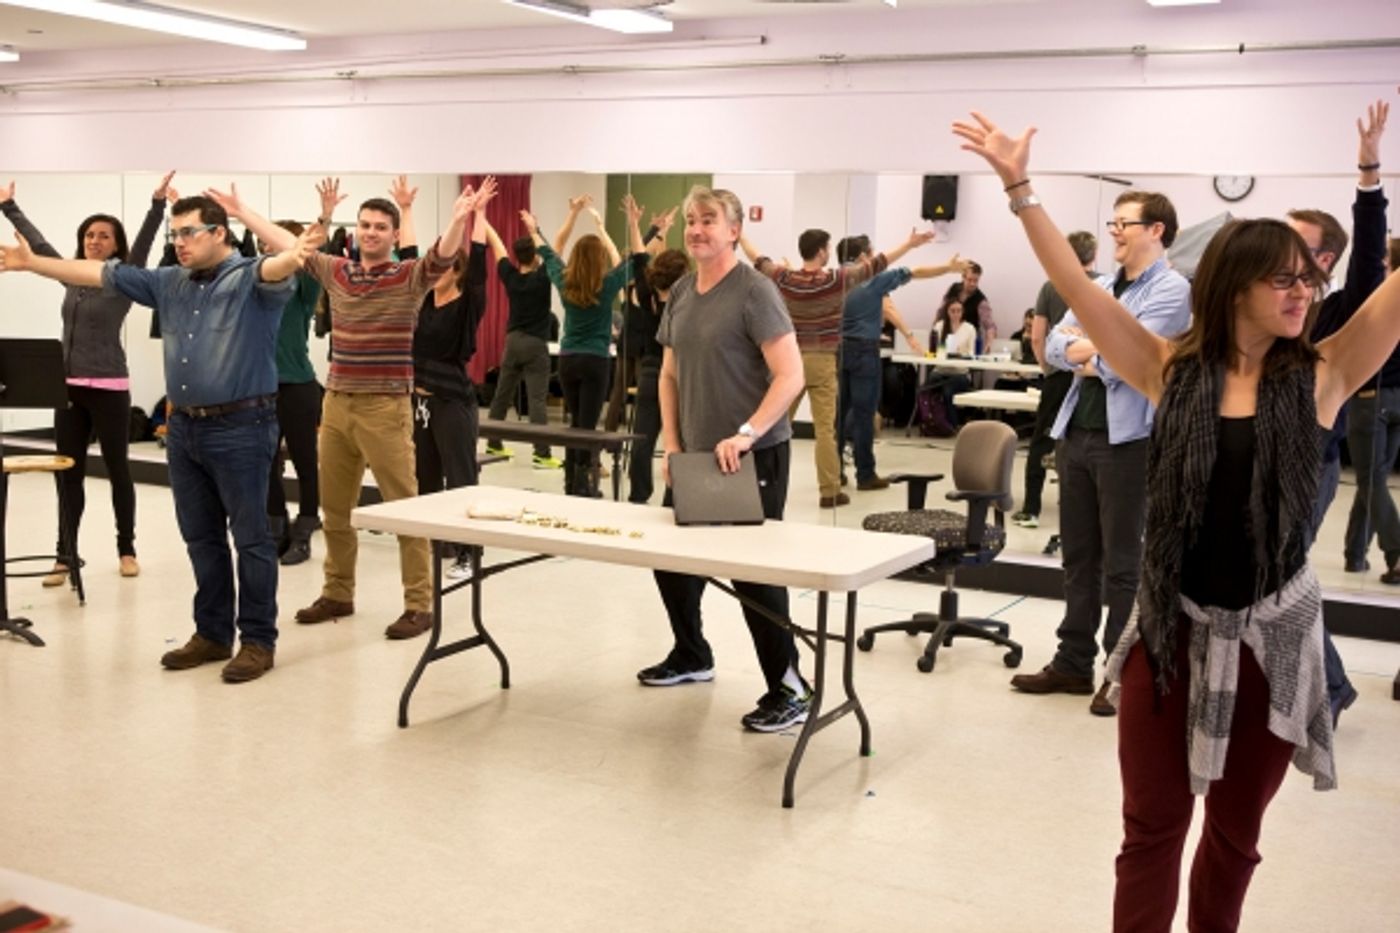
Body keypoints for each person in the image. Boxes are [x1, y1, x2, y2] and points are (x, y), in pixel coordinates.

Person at [956, 99, 1400, 933]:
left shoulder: (1325, 375)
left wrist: (1375, 176)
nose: (1303, 291)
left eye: (1310, 278)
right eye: (1285, 278)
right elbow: (1082, 288)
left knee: (1233, 839)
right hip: (1169, 630)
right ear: (1235, 285)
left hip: (1273, 637)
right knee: (1150, 832)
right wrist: (1019, 185)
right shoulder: (1169, 369)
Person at [0, 194, 317, 682]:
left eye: (189, 232)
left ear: (218, 233)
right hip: (185, 426)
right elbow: (95, 273)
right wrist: (30, 263)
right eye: (175, 234)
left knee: (251, 539)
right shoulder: (169, 282)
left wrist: (271, 232)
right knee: (200, 537)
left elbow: (285, 260)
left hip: (242, 427)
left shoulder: (251, 278)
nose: (179, 242)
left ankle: (257, 640)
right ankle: (212, 633)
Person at [227, 177, 475, 641]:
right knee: (336, 512)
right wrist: (243, 213)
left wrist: (460, 219)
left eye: (381, 226)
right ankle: (338, 592)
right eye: (365, 225)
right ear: (356, 230)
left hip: (385, 406)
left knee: (405, 510)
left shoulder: (409, 276)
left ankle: (419, 604)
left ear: (394, 235)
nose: (371, 232)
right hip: (337, 403)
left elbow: (442, 254)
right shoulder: (337, 272)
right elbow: (290, 245)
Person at [1010, 188, 1191, 717]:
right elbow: (1055, 350)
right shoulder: (1101, 287)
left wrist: (1094, 349)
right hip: (1078, 435)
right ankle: (1072, 661)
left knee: (1122, 564)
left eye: (1123, 223)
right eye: (1111, 223)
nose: (1113, 231)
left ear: (1156, 230)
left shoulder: (1173, 291)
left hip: (1128, 441)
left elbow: (1129, 361)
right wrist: (1096, 350)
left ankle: (1119, 674)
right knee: (1078, 557)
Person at [640, 184, 811, 732]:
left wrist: (746, 433)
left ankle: (790, 688)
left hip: (752, 454)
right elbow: (669, 376)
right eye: (691, 219)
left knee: (754, 578)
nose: (696, 229)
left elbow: (791, 376)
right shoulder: (684, 292)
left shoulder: (755, 292)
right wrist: (672, 444)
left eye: (708, 220)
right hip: (692, 456)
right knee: (671, 560)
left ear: (734, 230)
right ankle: (692, 654)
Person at [0, 171, 173, 584]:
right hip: (69, 389)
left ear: (116, 245)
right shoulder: (70, 276)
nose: (94, 241)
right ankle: (66, 554)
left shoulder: (123, 280)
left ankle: (126, 547)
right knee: (69, 473)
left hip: (110, 388)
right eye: (90, 235)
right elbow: (39, 247)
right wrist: (8, 207)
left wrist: (156, 205)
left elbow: (146, 245)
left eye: (104, 236)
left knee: (118, 471)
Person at [1289, 104, 1389, 725]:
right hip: (1259, 456)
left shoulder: (1339, 312)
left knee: (1286, 579)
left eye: (1294, 241)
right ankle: (1323, 688)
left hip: (1311, 463)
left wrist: (1369, 173)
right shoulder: (1270, 307)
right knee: (1279, 579)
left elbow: (1373, 254)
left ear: (1324, 260)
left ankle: (1329, 690)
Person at [741, 224, 935, 508]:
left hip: (789, 362)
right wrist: (909, 244)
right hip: (821, 360)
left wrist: (741, 235)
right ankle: (829, 491)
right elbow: (878, 263)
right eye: (828, 248)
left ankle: (753, 482)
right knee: (825, 431)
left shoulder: (785, 278)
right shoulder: (835, 280)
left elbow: (757, 258)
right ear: (821, 252)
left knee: (772, 424)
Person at [412, 178, 496, 582]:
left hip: (452, 402)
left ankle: (469, 552)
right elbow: (412, 257)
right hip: (419, 401)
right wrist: (406, 211)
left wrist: (476, 216)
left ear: (457, 272)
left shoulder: (467, 304)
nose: (437, 271)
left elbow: (480, 267)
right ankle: (436, 544)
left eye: (446, 266)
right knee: (425, 477)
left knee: (461, 477)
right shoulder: (422, 299)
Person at [834, 234, 965, 490]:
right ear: (862, 256)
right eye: (871, 253)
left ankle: (834, 471)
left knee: (839, 414)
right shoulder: (872, 279)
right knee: (863, 415)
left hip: (838, 350)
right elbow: (914, 272)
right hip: (864, 351)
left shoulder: (833, 278)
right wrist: (948, 268)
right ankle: (865, 474)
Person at [521, 195, 628, 497]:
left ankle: (573, 482)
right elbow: (622, 261)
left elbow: (549, 247)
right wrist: (601, 228)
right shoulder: (606, 285)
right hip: (596, 360)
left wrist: (551, 222)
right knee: (587, 426)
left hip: (568, 359)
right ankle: (584, 484)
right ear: (599, 260)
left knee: (573, 424)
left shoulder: (565, 281)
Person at [1012, 230, 1099, 529]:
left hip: (1059, 374)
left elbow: (1037, 337)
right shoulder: (1107, 285)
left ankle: (1031, 508)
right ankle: (1083, 512)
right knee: (1086, 440)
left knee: (1042, 440)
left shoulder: (1051, 287)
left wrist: (1048, 369)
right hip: (1095, 376)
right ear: (1094, 255)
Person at [258, 219, 323, 567]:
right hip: (259, 388)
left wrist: (323, 220)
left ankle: (306, 527)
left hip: (297, 385)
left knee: (304, 460)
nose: (269, 248)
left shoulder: (302, 287)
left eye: (277, 243)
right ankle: (276, 526)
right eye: (265, 243)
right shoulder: (253, 285)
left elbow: (313, 259)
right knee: (265, 461)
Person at [482, 220, 561, 471]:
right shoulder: (543, 276)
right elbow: (556, 245)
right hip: (535, 345)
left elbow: (497, 245)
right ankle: (542, 453)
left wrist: (482, 218)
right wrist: (536, 229)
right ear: (537, 255)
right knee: (537, 400)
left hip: (512, 342)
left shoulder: (511, 277)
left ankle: (494, 443)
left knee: (502, 395)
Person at [620, 195, 683, 505]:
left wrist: (635, 223)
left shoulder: (646, 294)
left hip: (648, 371)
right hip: (677, 376)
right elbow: (644, 257)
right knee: (678, 441)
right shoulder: (685, 299)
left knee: (643, 440)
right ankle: (674, 496)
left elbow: (639, 256)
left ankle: (638, 493)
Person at [942, 260, 995, 351]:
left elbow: (990, 326)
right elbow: (941, 312)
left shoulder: (981, 301)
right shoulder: (953, 289)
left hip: (968, 342)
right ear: (963, 277)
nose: (973, 284)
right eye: (970, 280)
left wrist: (988, 344)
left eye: (976, 280)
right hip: (948, 336)